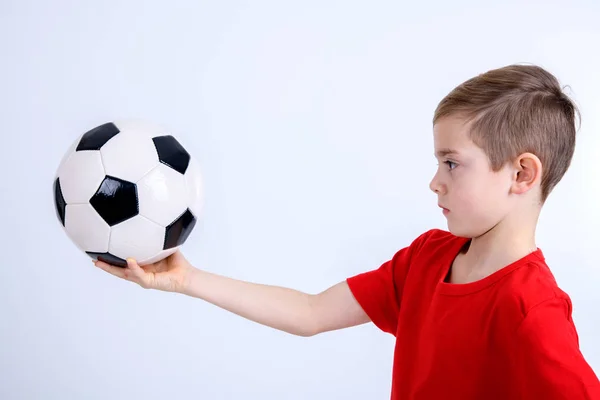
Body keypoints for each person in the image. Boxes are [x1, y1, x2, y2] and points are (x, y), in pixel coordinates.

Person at [93, 63, 600, 399]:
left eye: (452, 163)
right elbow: (311, 312)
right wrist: (188, 279)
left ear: (521, 174)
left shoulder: (533, 311)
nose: (435, 182)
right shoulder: (426, 257)